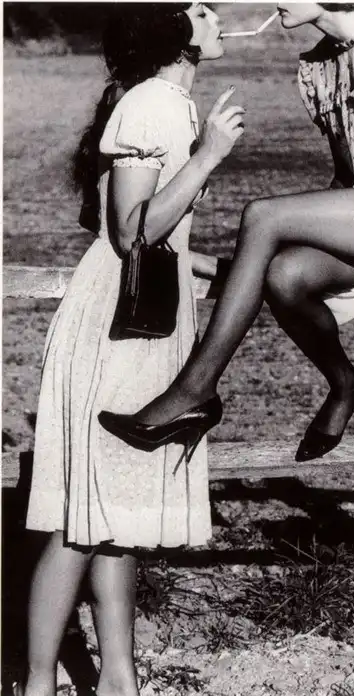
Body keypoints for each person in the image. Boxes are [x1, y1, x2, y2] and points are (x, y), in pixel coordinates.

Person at [99, 2, 354, 465]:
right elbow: (347, 175)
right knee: (284, 275)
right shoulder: (317, 67)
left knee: (264, 215)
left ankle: (196, 389)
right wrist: (319, 228)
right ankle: (345, 381)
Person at [17, 4, 243, 696]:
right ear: (171, 32)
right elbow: (130, 231)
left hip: (143, 316)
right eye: (199, 9)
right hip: (118, 327)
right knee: (81, 521)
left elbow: (158, 240)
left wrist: (224, 268)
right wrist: (208, 157)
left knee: (112, 513)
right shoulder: (152, 106)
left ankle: (119, 680)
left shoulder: (167, 101)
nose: (216, 14)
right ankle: (35, 683)